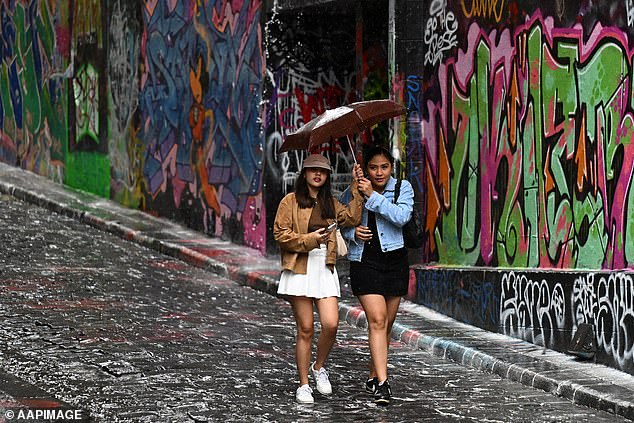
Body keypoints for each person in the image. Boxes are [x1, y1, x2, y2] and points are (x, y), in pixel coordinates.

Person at [274, 154, 364, 404]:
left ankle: (318, 367)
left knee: (331, 323)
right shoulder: (289, 201)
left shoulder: (330, 203)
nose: (317, 174)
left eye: (322, 172)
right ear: (304, 174)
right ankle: (303, 384)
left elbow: (353, 218)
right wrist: (311, 239)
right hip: (300, 267)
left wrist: (357, 186)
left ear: (326, 177)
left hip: (325, 266)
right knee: (305, 329)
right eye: (313, 170)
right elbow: (280, 234)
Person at [339, 146, 414, 406]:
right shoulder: (353, 189)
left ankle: (373, 375)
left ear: (391, 168)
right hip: (365, 262)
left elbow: (402, 217)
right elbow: (338, 222)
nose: (378, 172)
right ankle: (383, 383)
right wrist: (352, 234)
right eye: (373, 167)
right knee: (378, 320)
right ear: (365, 168)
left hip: (395, 262)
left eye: (384, 167)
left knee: (387, 325)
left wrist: (372, 196)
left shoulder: (402, 188)